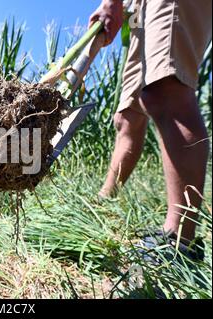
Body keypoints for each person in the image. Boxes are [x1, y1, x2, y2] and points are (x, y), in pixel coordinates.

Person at [89, 0, 212, 260]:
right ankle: (103, 200)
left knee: (166, 89)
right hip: (139, 7)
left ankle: (180, 241)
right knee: (127, 116)